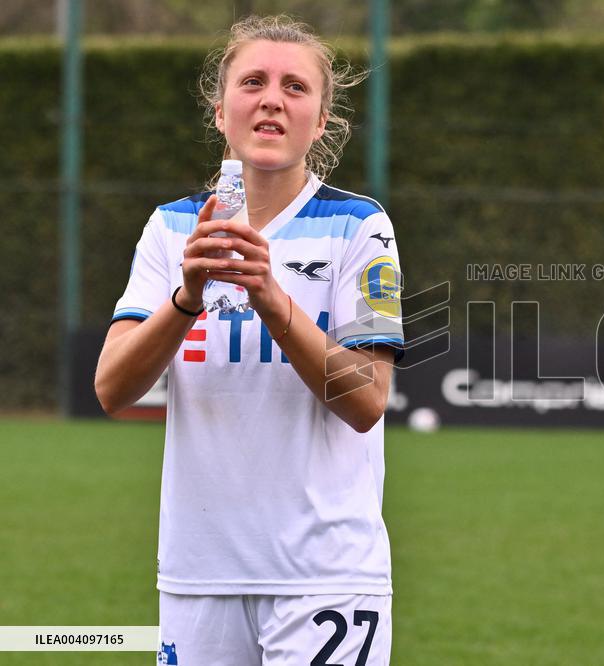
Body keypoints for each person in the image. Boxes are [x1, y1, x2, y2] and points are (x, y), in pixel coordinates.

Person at [94, 15, 402, 665]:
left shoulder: (359, 226)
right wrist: (188, 297)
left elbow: (367, 401)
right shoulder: (171, 228)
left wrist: (269, 294)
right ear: (220, 110)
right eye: (253, 81)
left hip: (324, 576)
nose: (271, 98)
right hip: (198, 575)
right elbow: (113, 387)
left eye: (295, 87)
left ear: (320, 121)